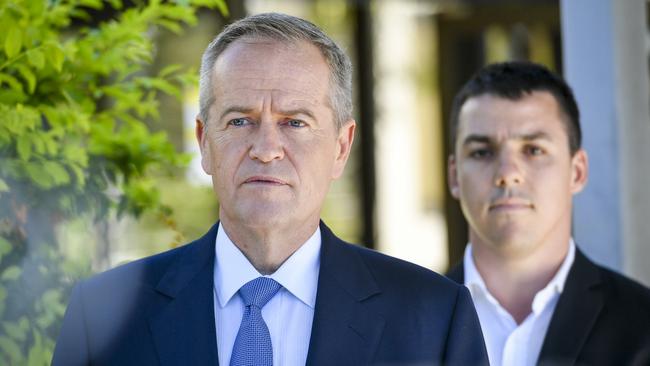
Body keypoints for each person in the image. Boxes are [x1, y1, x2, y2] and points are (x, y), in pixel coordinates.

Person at [52, 13, 488, 366]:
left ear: (341, 147)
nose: (265, 149)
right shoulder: (103, 317)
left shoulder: (434, 319)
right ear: (204, 142)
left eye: (294, 122)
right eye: (239, 121)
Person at [446, 61, 650, 366]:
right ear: (454, 177)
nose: (508, 173)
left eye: (533, 150)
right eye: (482, 152)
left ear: (577, 172)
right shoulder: (406, 320)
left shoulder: (643, 325)